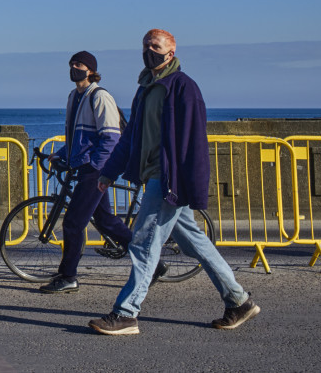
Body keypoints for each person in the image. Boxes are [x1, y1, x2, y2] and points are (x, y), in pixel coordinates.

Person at [88, 29, 260, 335]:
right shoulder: (145, 89)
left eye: (155, 46)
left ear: (171, 51)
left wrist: (192, 186)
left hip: (166, 180)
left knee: (143, 243)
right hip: (153, 175)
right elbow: (130, 138)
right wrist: (108, 173)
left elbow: (195, 141)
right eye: (145, 46)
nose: (149, 51)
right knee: (196, 243)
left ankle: (126, 313)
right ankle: (239, 301)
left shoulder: (182, 87)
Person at [38, 51, 132, 293]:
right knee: (105, 221)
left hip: (95, 170)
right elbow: (76, 137)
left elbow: (111, 138)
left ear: (90, 70)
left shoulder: (99, 97)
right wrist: (60, 153)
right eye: (71, 64)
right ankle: (154, 264)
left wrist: (97, 167)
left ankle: (68, 276)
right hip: (84, 166)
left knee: (73, 223)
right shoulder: (74, 96)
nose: (73, 68)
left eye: (78, 64)